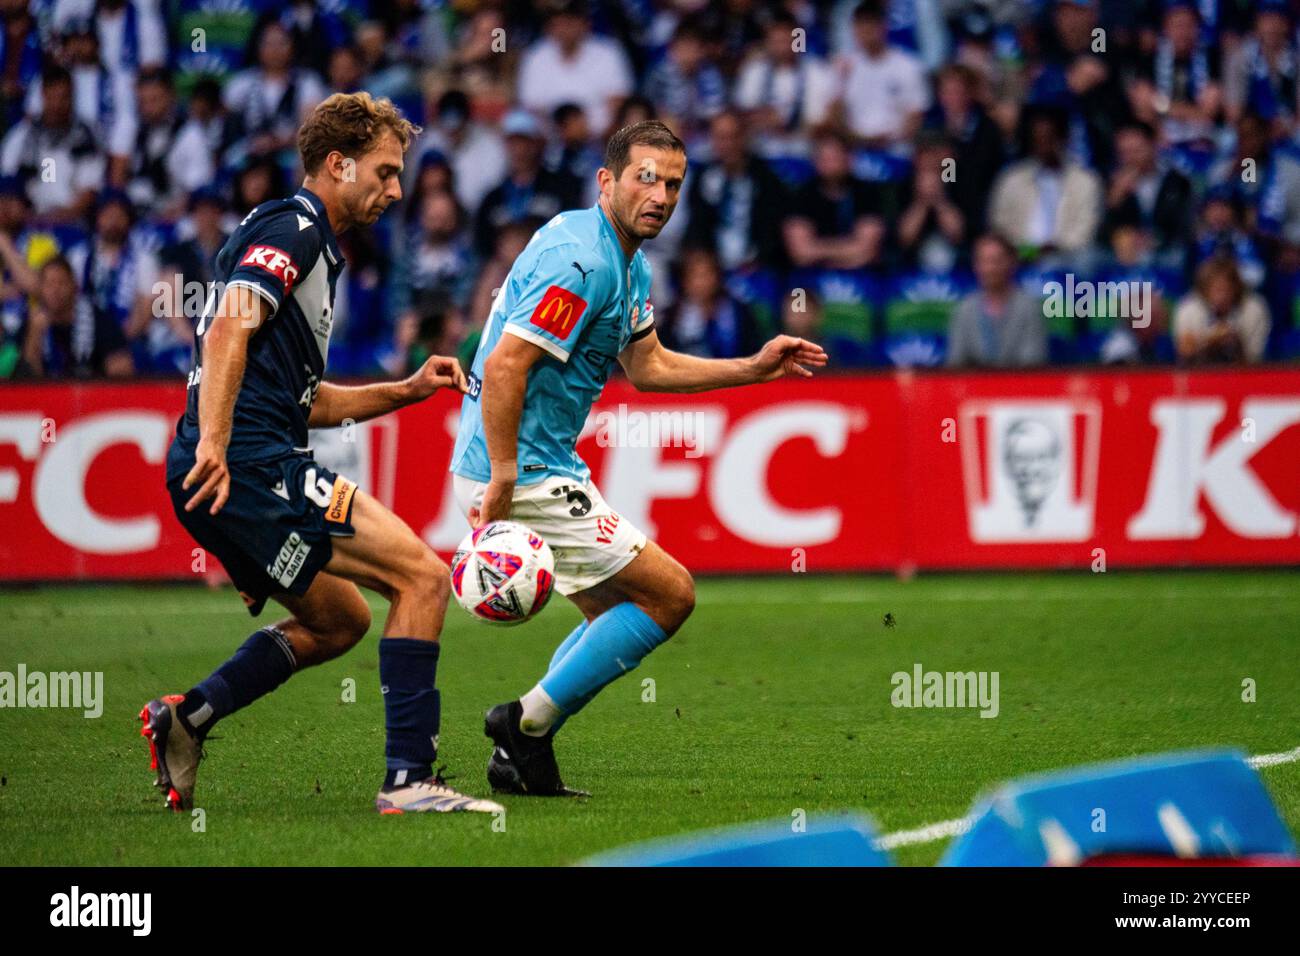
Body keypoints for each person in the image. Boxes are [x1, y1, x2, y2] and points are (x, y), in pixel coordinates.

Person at [140, 92, 502, 817]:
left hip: (232, 467)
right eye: (385, 170)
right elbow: (225, 335)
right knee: (424, 578)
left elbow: (305, 400)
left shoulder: (305, 247)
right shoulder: (295, 227)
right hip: (247, 463)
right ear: (337, 165)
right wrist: (216, 441)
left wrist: (403, 389)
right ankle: (410, 780)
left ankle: (190, 719)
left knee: (342, 620)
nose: (396, 189)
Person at [449, 120, 826, 796]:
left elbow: (647, 366)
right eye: (645, 178)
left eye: (674, 184)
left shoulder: (626, 260)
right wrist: (504, 476)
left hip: (534, 460)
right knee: (670, 595)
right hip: (523, 468)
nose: (661, 195)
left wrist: (752, 367)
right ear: (607, 181)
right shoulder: (584, 261)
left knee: (613, 616)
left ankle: (522, 752)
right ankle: (523, 723)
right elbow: (506, 364)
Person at [946, 232, 1047, 368]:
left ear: (1011, 263)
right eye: (984, 261)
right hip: (974, 386)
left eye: (996, 261)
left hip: (1018, 386)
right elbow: (956, 363)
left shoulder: (1029, 307)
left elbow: (1033, 363)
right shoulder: (966, 308)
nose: (990, 269)